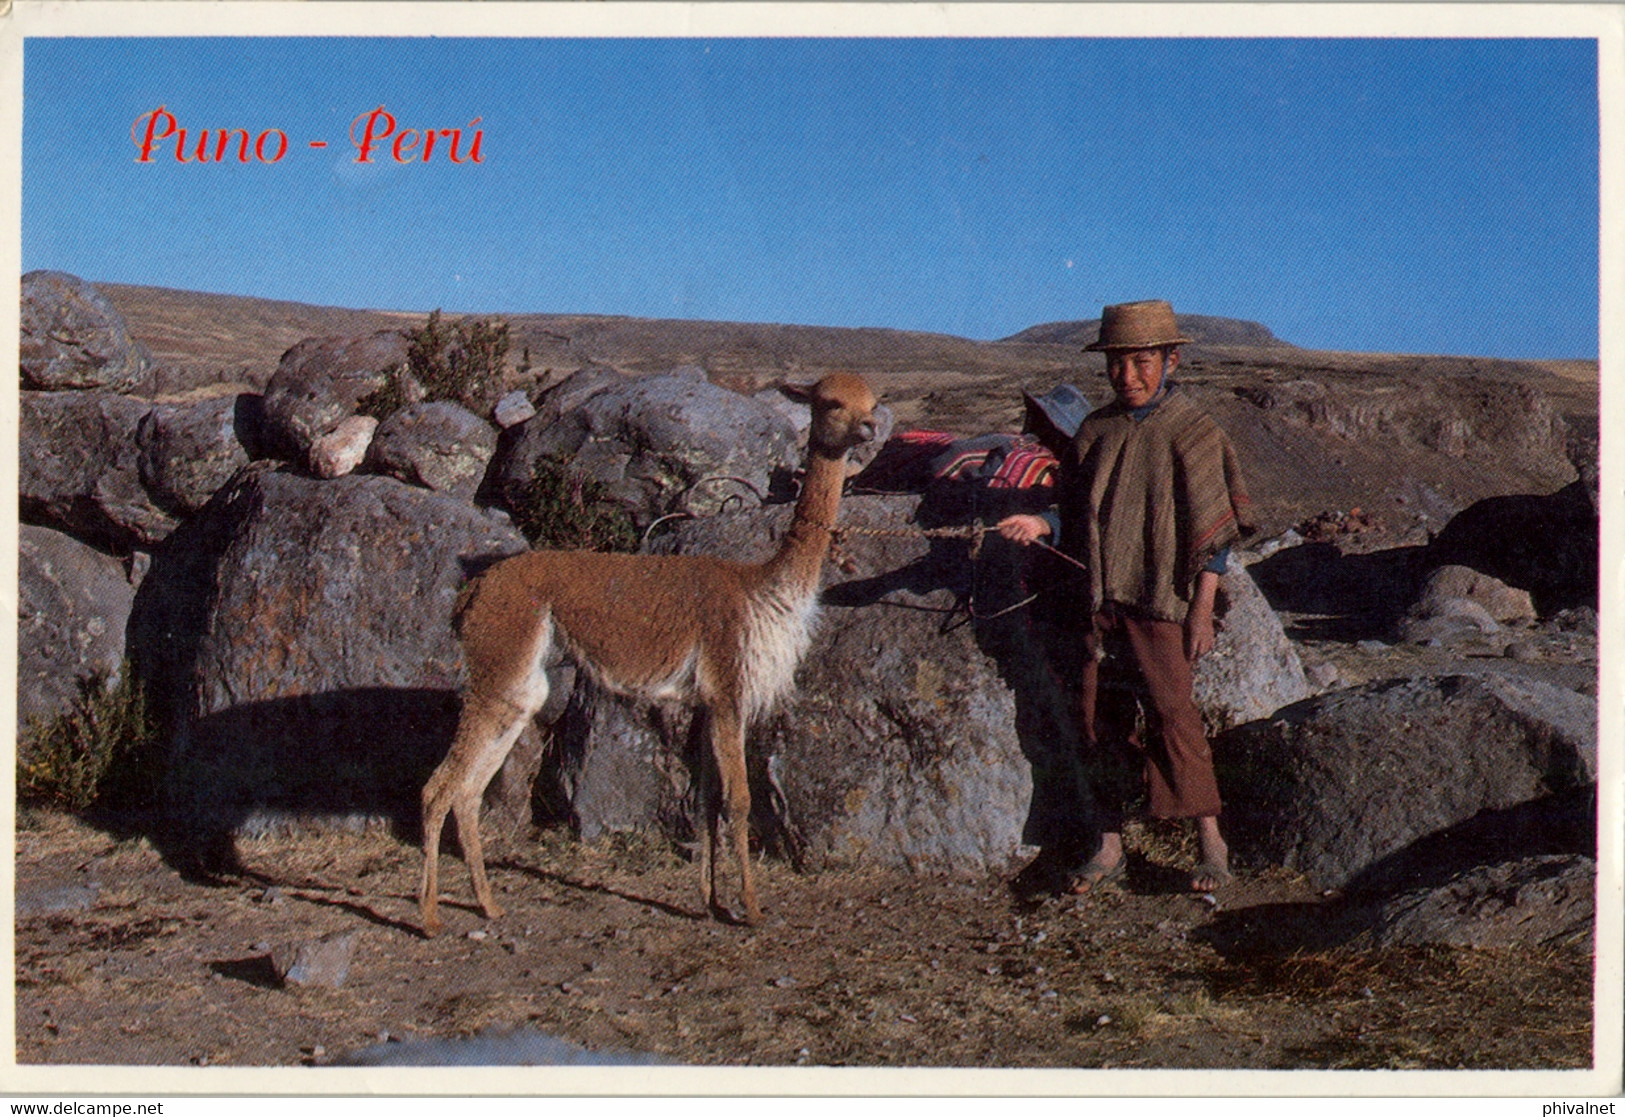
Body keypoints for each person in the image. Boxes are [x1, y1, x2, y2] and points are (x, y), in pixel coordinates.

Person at [997, 300, 1254, 894]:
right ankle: (1108, 844)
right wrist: (1042, 526)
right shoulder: (1096, 430)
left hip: (1162, 599)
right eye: (1117, 364)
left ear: (1171, 359)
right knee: (1098, 719)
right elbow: (1074, 511)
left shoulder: (1194, 431)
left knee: (1173, 716)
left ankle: (1211, 845)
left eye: (1142, 362)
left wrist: (1200, 611)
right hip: (1098, 601)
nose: (1128, 376)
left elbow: (1215, 534)